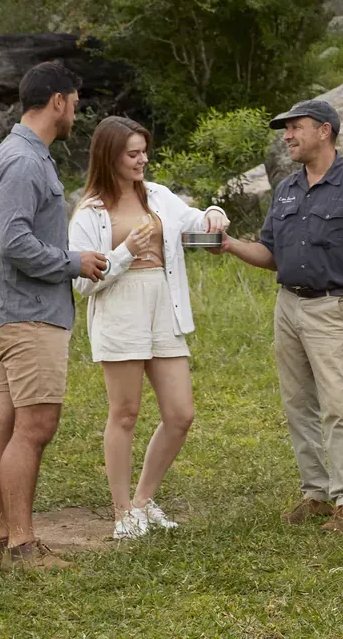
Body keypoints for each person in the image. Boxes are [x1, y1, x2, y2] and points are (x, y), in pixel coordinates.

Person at [213, 99, 343, 532]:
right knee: (297, 404)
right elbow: (271, 254)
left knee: (337, 405)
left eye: (296, 128)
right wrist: (231, 244)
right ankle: (316, 493)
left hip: (334, 306)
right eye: (286, 129)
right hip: (288, 306)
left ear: (325, 131)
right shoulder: (287, 189)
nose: (288, 136)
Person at [68, 117, 230, 540]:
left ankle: (143, 500)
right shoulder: (90, 212)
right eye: (132, 153)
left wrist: (214, 212)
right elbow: (82, 282)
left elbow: (194, 221)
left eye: (144, 151)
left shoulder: (158, 195)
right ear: (110, 156)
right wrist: (124, 252)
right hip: (120, 308)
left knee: (180, 414)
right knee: (125, 413)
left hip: (163, 304)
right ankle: (123, 514)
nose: (142, 160)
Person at [0, 60, 106, 571]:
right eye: (74, 102)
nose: (76, 111)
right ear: (57, 101)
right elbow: (14, 241)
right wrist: (74, 262)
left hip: (15, 312)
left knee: (5, 425)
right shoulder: (24, 161)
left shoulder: (15, 156)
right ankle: (22, 548)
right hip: (29, 316)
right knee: (35, 427)